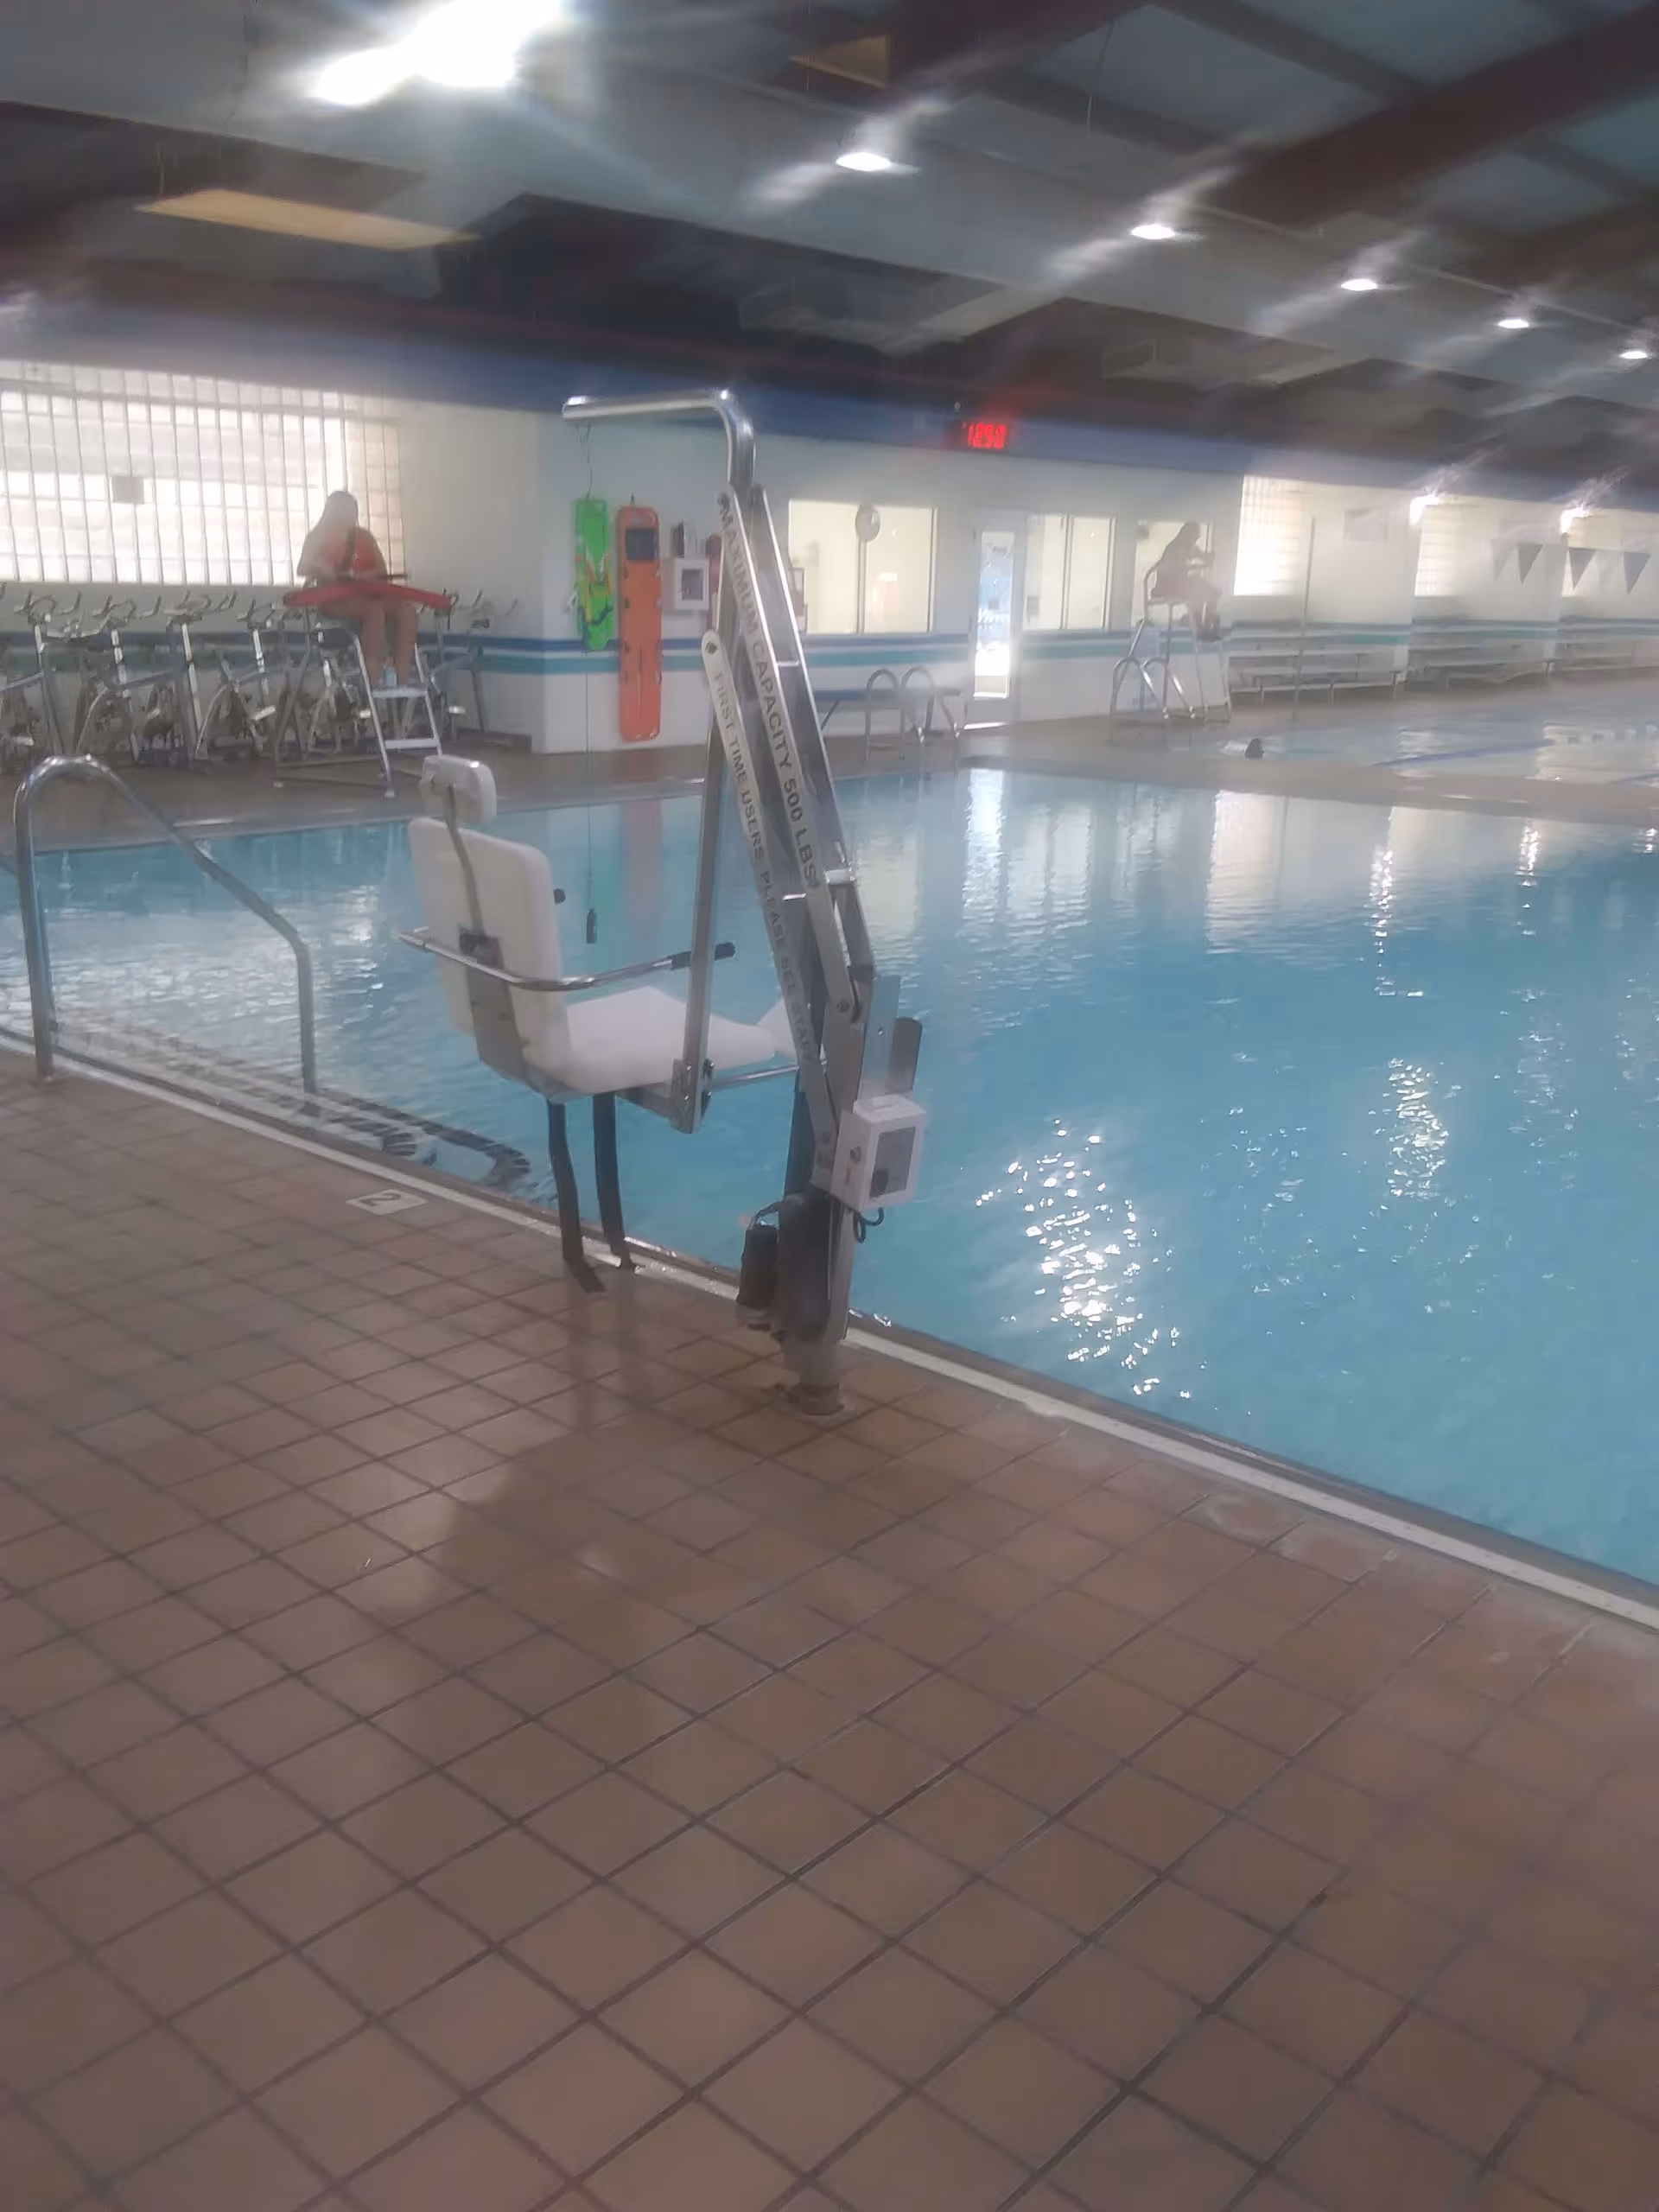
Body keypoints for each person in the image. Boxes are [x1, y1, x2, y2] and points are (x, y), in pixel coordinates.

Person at [296, 490, 417, 687]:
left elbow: (381, 571)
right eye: (345, 510)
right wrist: (322, 568)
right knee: (373, 611)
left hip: (368, 594)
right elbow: (302, 567)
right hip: (335, 601)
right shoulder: (318, 536)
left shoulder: (364, 537)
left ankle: (401, 675)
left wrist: (364, 577)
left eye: (353, 510)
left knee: (407, 611)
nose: (351, 515)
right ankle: (373, 675)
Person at [1147, 520, 1222, 639]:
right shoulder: (1174, 548)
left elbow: (1201, 556)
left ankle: (1208, 626)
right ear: (1188, 535)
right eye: (1194, 539)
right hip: (1168, 587)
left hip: (1182, 584)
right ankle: (1198, 626)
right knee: (1197, 587)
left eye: (1197, 540)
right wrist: (1195, 564)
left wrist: (1209, 557)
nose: (1195, 542)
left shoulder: (1190, 547)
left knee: (1213, 592)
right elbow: (1176, 567)